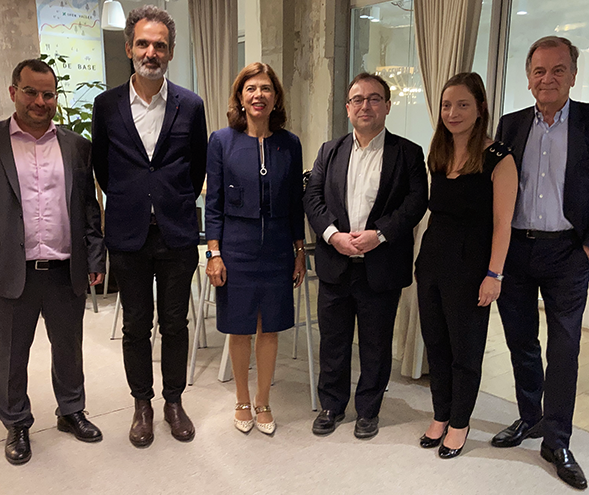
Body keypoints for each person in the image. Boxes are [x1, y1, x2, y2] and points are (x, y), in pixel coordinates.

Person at [0, 58, 106, 465]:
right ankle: (16, 422)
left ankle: (71, 411)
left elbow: (89, 209)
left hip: (64, 268)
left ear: (56, 97)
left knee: (69, 349)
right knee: (9, 354)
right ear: (13, 92)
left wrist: (94, 254)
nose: (40, 101)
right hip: (8, 269)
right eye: (31, 92)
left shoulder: (76, 145)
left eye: (48, 94)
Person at [490, 36, 589, 490]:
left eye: (557, 70)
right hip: (518, 250)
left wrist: (587, 251)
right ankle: (530, 417)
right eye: (538, 71)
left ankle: (557, 439)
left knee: (564, 346)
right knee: (521, 340)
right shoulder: (509, 127)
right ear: (528, 78)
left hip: (570, 251)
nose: (547, 78)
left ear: (573, 74)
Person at [90, 5, 208, 447]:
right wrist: (132, 199)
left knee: (175, 323)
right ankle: (142, 404)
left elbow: (197, 165)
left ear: (171, 51)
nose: (151, 51)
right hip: (128, 233)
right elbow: (102, 165)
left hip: (176, 232)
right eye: (143, 43)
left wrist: (171, 200)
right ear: (128, 48)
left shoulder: (191, 105)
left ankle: (173, 401)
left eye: (160, 44)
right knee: (137, 324)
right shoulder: (106, 106)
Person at [304, 72, 429, 439]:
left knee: (376, 344)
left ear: (387, 106)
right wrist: (332, 235)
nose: (365, 105)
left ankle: (368, 410)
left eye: (374, 98)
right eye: (357, 99)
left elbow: (416, 202)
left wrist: (381, 234)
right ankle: (331, 405)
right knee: (334, 341)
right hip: (336, 263)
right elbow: (312, 197)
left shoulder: (408, 152)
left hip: (381, 266)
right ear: (347, 108)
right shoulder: (330, 150)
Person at [415, 72, 517, 459]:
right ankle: (441, 414)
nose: (452, 113)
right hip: (433, 261)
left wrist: (494, 275)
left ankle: (460, 421)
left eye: (462, 105)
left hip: (472, 266)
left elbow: (503, 223)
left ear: (480, 109)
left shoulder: (498, 157)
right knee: (436, 344)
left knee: (465, 350)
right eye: (446, 105)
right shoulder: (438, 154)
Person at [203, 62, 306, 435]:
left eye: (265, 88)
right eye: (251, 89)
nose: (258, 95)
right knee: (241, 327)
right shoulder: (221, 141)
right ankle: (242, 400)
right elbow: (212, 202)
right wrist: (214, 253)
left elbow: (296, 202)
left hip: (278, 247)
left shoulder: (289, 143)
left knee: (271, 327)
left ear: (275, 97)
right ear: (240, 97)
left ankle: (263, 400)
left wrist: (299, 250)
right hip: (236, 247)